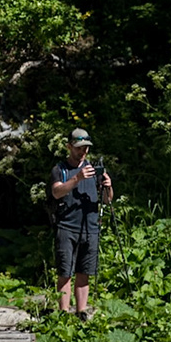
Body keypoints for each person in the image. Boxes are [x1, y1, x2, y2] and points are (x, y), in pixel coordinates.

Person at [49, 128, 112, 318]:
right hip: (67, 226)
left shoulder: (95, 170)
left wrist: (108, 186)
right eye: (78, 148)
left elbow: (108, 200)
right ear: (69, 147)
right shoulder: (60, 169)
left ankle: (81, 311)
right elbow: (56, 192)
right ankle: (63, 312)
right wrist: (77, 178)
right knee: (65, 271)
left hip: (90, 226)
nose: (82, 152)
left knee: (85, 270)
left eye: (85, 148)